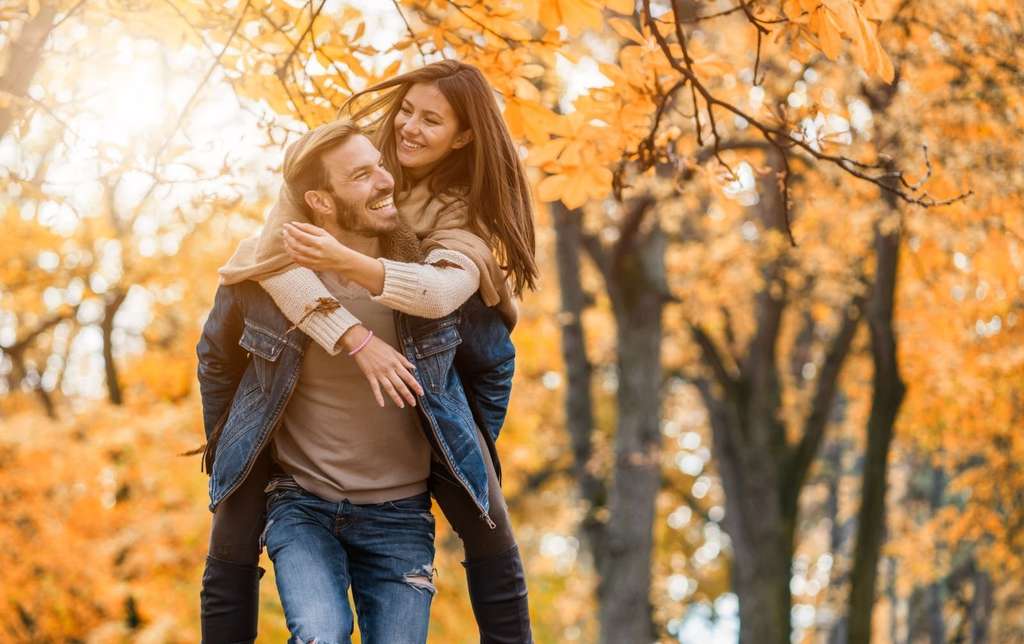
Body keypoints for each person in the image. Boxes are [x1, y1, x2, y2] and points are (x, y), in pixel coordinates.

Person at [200, 61, 537, 644]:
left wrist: (463, 432)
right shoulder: (345, 159)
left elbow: (456, 319)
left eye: (431, 120)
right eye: (406, 109)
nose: (408, 127)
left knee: (489, 522)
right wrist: (353, 337)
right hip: (304, 473)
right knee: (233, 520)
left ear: (462, 136)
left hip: (422, 404)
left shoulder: (460, 217)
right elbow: (264, 256)